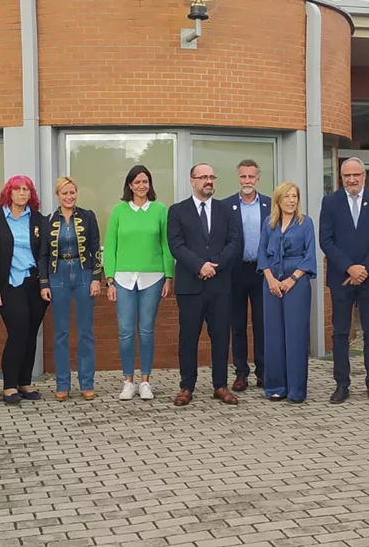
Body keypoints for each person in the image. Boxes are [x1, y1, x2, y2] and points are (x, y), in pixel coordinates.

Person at [167, 163, 241, 407]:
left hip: (219, 285)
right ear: (192, 181)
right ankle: (186, 386)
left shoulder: (227, 210)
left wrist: (214, 266)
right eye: (203, 177)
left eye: (211, 176)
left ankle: (220, 385)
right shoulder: (177, 211)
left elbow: (234, 242)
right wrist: (200, 266)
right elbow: (176, 245)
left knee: (221, 335)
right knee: (188, 337)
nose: (208, 181)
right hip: (191, 285)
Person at [318, 157, 369, 405]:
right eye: (346, 175)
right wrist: (349, 267)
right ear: (341, 177)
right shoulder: (330, 202)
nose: (351, 179)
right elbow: (325, 240)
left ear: (364, 175)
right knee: (340, 333)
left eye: (355, 175)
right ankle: (342, 384)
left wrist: (364, 268)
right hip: (341, 278)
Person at [103, 165, 174, 401]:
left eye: (145, 181)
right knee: (125, 331)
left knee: (146, 330)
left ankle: (145, 381)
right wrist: (110, 279)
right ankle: (128, 381)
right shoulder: (119, 210)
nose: (141, 186)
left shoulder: (160, 210)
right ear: (130, 185)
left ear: (150, 184)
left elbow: (166, 245)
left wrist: (169, 276)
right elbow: (110, 246)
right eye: (137, 182)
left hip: (152, 278)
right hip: (123, 278)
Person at [0, 175, 51, 405]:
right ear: (9, 193)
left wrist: (44, 283)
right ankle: (9, 385)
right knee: (18, 332)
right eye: (17, 189)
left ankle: (25, 382)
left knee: (31, 333)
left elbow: (44, 252)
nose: (22, 193)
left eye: (26, 190)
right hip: (9, 285)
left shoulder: (37, 219)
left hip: (34, 285)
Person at [257, 182, 316, 403]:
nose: (292, 200)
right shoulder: (269, 223)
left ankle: (296, 389)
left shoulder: (305, 223)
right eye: (287, 197)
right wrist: (271, 279)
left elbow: (310, 255)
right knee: (273, 334)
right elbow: (261, 252)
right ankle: (275, 386)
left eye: (295, 196)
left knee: (296, 335)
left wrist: (291, 279)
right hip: (271, 281)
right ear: (278, 200)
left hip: (297, 282)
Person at [46, 177, 101, 402]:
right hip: (57, 274)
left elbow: (96, 247)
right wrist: (43, 282)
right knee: (61, 333)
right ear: (57, 195)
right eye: (64, 193)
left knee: (86, 332)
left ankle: (87, 383)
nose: (69, 197)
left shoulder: (88, 216)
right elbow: (43, 254)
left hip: (83, 273)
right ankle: (62, 384)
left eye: (72, 193)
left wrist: (97, 278)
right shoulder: (48, 220)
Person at [222, 159, 270, 392]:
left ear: (258, 179)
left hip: (263, 271)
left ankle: (263, 372)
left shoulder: (270, 205)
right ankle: (241, 373)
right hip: (236, 271)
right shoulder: (226, 205)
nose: (247, 181)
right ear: (238, 178)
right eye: (243, 177)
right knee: (237, 325)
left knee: (262, 324)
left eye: (251, 177)